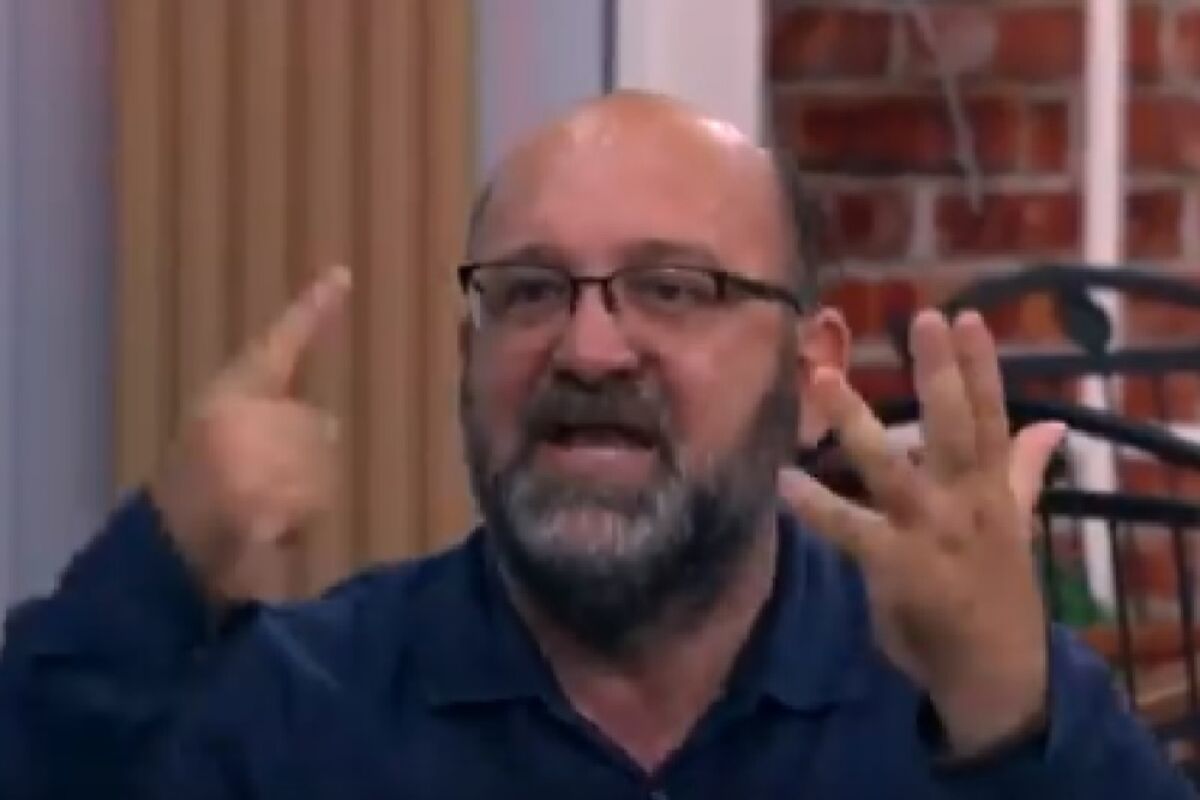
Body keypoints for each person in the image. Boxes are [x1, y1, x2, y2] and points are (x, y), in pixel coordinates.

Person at [0, 91, 1192, 799]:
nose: (588, 347)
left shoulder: (949, 699)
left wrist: (1016, 724)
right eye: (528, 292)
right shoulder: (305, 711)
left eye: (671, 287)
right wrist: (156, 564)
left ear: (810, 374)